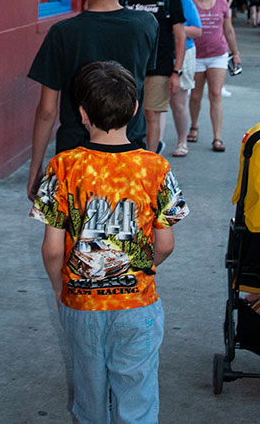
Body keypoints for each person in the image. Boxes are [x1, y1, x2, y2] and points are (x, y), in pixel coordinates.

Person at [31, 60, 189, 424]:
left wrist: (62, 289)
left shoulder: (63, 166)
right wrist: (137, 267)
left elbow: (52, 249)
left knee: (89, 402)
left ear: (83, 114)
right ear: (135, 109)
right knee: (138, 398)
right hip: (138, 305)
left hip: (81, 304)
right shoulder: (155, 168)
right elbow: (165, 245)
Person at [26, 0, 159, 200]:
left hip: (75, 151)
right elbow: (148, 94)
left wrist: (35, 167)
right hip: (129, 146)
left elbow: (47, 111)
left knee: (71, 230)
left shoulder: (62, 33)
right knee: (128, 230)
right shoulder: (146, 24)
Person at [121, 0, 186, 153]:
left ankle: (150, 159)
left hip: (159, 66)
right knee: (126, 113)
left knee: (151, 113)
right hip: (128, 66)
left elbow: (180, 35)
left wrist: (176, 71)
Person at [186, 0, 241, 152]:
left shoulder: (222, 4)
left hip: (218, 54)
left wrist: (236, 53)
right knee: (195, 95)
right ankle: (193, 126)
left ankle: (217, 137)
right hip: (196, 55)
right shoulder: (190, 3)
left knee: (216, 94)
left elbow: (229, 30)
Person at [158, 0, 202, 157]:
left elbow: (197, 30)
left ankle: (182, 141)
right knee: (155, 104)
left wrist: (174, 29)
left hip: (183, 52)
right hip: (158, 54)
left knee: (178, 102)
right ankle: (156, 143)